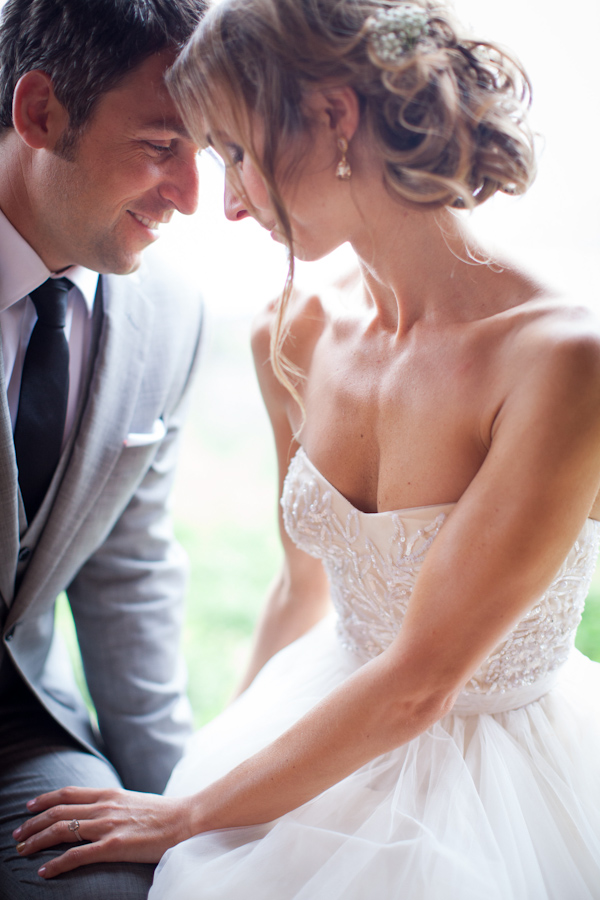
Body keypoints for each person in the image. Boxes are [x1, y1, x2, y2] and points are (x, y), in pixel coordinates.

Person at [13, 0, 600, 897]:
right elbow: (300, 587)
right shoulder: (292, 331)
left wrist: (184, 815)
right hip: (311, 718)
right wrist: (203, 776)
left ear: (335, 118)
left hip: (489, 796)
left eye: (236, 156)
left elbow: (420, 684)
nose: (231, 205)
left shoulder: (563, 362)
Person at [0, 0, 207, 897]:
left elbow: (128, 573)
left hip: (22, 738)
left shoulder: (172, 316)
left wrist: (179, 818)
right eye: (162, 146)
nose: (192, 197)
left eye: (213, 150)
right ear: (40, 112)